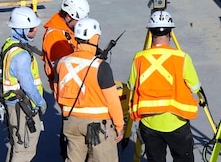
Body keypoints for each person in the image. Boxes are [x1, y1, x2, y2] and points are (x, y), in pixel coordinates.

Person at [127, 10, 203, 162]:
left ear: (150, 33)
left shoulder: (139, 58)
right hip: (177, 122)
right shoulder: (182, 58)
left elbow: (131, 85)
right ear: (170, 33)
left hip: (149, 124)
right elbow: (195, 87)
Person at [56, 18, 124, 162]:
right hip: (98, 125)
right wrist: (119, 125)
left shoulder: (61, 63)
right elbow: (113, 101)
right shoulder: (100, 66)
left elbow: (58, 93)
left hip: (71, 122)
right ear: (94, 37)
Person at [0, 7, 49, 162]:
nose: (35, 31)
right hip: (23, 107)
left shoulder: (10, 45)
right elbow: (27, 85)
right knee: (24, 150)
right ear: (23, 29)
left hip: (14, 105)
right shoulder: (21, 56)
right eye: (32, 28)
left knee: (16, 145)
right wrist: (41, 102)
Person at [42, 0, 88, 88]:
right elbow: (65, 68)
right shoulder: (55, 37)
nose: (80, 24)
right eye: (78, 21)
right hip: (68, 86)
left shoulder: (67, 29)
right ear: (68, 16)